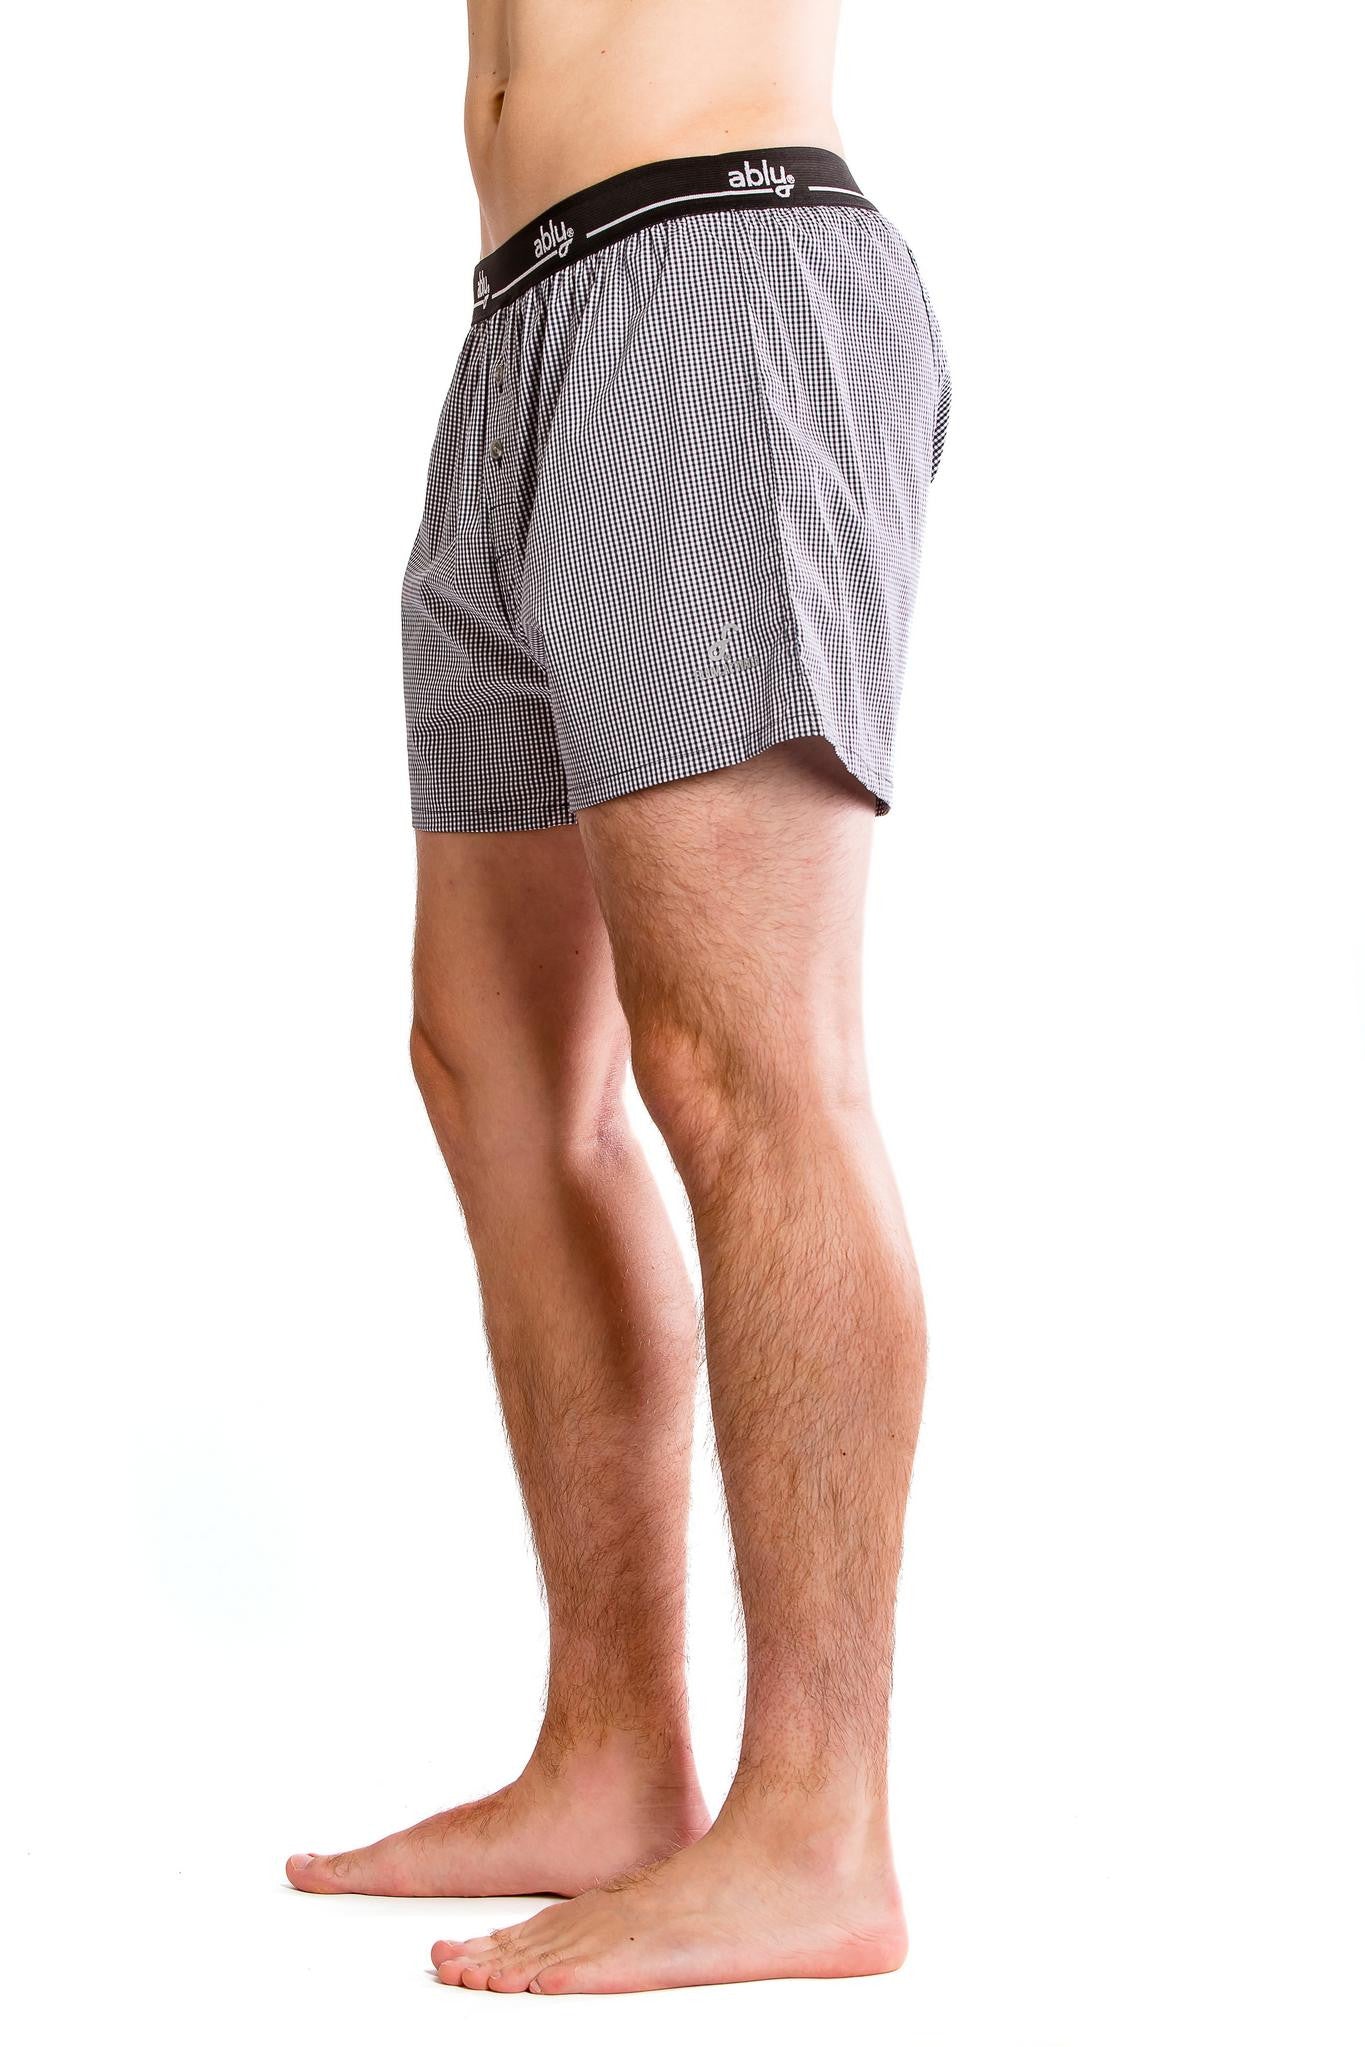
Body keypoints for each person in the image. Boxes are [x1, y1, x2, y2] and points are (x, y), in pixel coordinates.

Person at [286, 0, 949, 1995]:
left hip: (712, 268)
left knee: (742, 1070)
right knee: (492, 1069)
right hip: (519, 319)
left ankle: (816, 1826)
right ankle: (610, 1753)